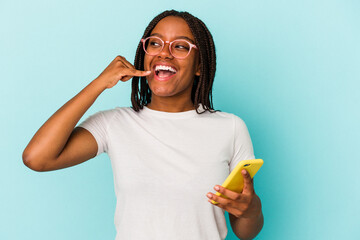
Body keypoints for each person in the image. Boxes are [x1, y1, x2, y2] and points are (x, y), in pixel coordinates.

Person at [23, 10, 263, 240]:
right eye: (155, 43)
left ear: (200, 66)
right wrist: (99, 83)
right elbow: (37, 158)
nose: (164, 53)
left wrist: (251, 208)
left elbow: (245, 232)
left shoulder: (230, 128)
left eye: (180, 46)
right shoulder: (115, 123)